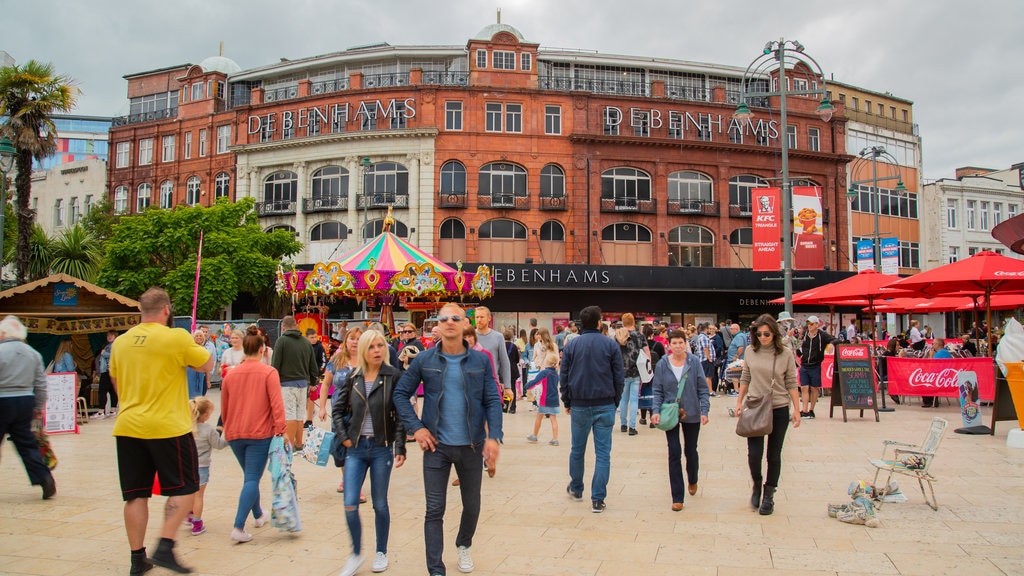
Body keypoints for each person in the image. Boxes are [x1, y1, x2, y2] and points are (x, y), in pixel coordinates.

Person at [394, 303, 503, 576]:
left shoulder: (481, 360)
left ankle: (463, 544)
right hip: (436, 447)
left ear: (464, 322)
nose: (450, 322)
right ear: (438, 325)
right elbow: (400, 394)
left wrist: (494, 437)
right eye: (444, 319)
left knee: (473, 506)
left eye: (455, 317)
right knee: (434, 509)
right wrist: (417, 428)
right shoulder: (425, 360)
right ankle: (435, 568)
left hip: (471, 445)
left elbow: (492, 399)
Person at [110, 287, 213, 575]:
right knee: (186, 487)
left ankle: (136, 558)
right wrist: (194, 343)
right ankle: (165, 545)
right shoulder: (176, 337)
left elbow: (117, 383)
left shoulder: (121, 342)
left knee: (135, 494)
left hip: (128, 426)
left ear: (141, 311)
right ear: (167, 310)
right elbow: (207, 364)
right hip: (168, 426)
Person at [333, 330, 407, 576]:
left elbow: (400, 415)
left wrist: (400, 446)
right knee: (350, 504)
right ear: (363, 350)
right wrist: (344, 438)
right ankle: (355, 553)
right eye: (372, 346)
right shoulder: (353, 377)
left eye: (380, 345)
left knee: (380, 503)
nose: (377, 350)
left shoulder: (393, 376)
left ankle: (381, 551)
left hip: (380, 448)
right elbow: (338, 410)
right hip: (355, 449)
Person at [220, 325, 285, 543]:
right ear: (262, 350)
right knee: (251, 478)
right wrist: (281, 429)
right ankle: (238, 526)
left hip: (235, 432)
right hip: (260, 433)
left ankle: (258, 514)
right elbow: (277, 404)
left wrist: (227, 428)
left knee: (250, 476)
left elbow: (225, 407)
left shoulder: (230, 374)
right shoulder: (269, 372)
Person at [735, 314, 800, 516]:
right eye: (759, 333)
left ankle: (769, 494)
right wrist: (739, 401)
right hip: (755, 405)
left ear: (774, 333)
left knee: (774, 454)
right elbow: (746, 376)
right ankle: (756, 483)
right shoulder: (750, 351)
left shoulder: (785, 354)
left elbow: (791, 382)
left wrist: (797, 409)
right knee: (754, 454)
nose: (763, 337)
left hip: (779, 407)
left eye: (767, 334)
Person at [561, 305, 624, 513]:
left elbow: (564, 376)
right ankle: (597, 499)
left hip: (580, 404)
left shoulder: (571, 345)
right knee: (603, 453)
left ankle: (577, 488)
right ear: (599, 323)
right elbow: (618, 376)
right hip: (605, 403)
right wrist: (616, 399)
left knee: (577, 449)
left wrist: (567, 400)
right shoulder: (610, 345)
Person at [650, 329, 709, 511]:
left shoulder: (694, 362)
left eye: (680, 343)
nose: (677, 346)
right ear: (669, 345)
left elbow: (702, 387)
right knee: (674, 452)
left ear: (686, 344)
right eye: (674, 343)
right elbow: (657, 389)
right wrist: (655, 410)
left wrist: (704, 410)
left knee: (690, 450)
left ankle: (693, 478)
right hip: (670, 412)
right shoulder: (662, 364)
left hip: (691, 411)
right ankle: (677, 497)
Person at [0, 315, 57, 500]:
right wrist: (39, 406)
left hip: (2, 399)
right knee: (27, 444)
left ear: (3, 333)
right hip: (25, 401)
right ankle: (44, 477)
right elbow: (41, 383)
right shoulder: (33, 353)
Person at [323, 326, 365, 499]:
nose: (354, 342)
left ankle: (354, 485)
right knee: (341, 448)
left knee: (359, 449)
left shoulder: (368, 360)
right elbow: (326, 383)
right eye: (352, 338)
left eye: (358, 339)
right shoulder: (336, 360)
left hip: (362, 413)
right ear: (346, 340)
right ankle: (346, 478)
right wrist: (321, 407)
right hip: (339, 412)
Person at [271, 315, 319, 449]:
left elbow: (275, 365)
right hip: (303, 384)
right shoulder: (305, 342)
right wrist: (314, 381)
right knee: (299, 414)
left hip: (286, 383)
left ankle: (290, 444)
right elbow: (313, 366)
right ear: (296, 326)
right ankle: (299, 442)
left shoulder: (282, 341)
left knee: (290, 414)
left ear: (283, 327)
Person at [188, 396, 227, 537]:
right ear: (205, 415)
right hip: (202, 467)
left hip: (188, 466)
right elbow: (218, 445)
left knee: (190, 493)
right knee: (199, 495)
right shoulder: (208, 429)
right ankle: (197, 523)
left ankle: (189, 514)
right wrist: (228, 440)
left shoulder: (186, 428)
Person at [615, 313, 649, 436]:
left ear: (623, 323)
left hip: (621, 372)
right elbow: (647, 353)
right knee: (634, 400)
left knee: (623, 399)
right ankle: (632, 427)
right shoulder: (640, 336)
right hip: (636, 371)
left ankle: (623, 424)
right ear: (634, 322)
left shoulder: (617, 336)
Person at [473, 306, 513, 403]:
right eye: (477, 317)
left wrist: (507, 386)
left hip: (492, 384)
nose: (479, 320)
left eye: (482, 317)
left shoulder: (498, 337)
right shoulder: (470, 337)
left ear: (489, 318)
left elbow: (504, 362)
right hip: (473, 384)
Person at [796, 315, 833, 419]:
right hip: (804, 365)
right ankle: (804, 410)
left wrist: (830, 344)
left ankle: (811, 410)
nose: (809, 326)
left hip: (815, 365)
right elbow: (796, 345)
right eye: (808, 324)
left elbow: (834, 339)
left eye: (811, 324)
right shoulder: (804, 334)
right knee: (804, 387)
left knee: (814, 388)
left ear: (817, 324)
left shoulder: (822, 335)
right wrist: (800, 354)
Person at [525, 352, 560, 445]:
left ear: (547, 362)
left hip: (545, 398)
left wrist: (527, 386)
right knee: (553, 419)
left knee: (539, 417)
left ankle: (534, 435)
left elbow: (536, 381)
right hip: (555, 399)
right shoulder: (556, 373)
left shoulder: (544, 373)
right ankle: (555, 438)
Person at [639, 324, 666, 426]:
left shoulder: (641, 345)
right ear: (652, 333)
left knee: (643, 393)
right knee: (654, 393)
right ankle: (652, 417)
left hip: (643, 372)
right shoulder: (658, 345)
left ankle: (643, 417)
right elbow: (663, 359)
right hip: (656, 372)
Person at [305, 328, 328, 427]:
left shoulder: (319, 347)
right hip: (304, 375)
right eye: (311, 337)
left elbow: (323, 361)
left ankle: (309, 419)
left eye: (315, 337)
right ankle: (311, 411)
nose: (314, 339)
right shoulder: (304, 346)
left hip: (314, 375)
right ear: (306, 337)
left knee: (311, 397)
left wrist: (319, 373)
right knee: (305, 398)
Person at [920, 338, 952, 408]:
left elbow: (931, 366)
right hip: (944, 375)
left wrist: (931, 356)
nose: (932, 345)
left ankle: (929, 401)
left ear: (937, 345)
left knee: (924, 381)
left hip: (942, 377)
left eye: (933, 343)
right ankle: (932, 399)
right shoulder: (943, 352)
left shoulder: (941, 353)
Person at [96, 330, 118, 417]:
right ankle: (112, 411)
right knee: (112, 391)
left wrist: (104, 353)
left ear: (115, 336)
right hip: (111, 370)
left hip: (108, 370)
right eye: (108, 335)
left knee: (102, 391)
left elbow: (115, 355)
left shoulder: (113, 345)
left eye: (112, 335)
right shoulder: (109, 345)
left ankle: (101, 412)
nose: (109, 337)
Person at [187, 330, 210, 399]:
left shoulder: (205, 350)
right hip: (190, 375)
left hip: (201, 375)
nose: (199, 337)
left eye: (200, 336)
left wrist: (208, 380)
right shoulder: (190, 349)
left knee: (199, 397)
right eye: (196, 336)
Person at [503, 328, 521, 414]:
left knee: (504, 388)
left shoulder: (501, 345)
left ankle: (505, 406)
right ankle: (513, 407)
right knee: (512, 388)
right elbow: (517, 359)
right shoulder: (513, 346)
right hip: (512, 369)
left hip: (503, 370)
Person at [696, 323, 717, 397]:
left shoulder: (702, 336)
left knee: (707, 376)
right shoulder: (703, 337)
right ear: (706, 329)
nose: (710, 330)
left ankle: (707, 390)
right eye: (709, 329)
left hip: (704, 359)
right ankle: (710, 391)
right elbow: (705, 348)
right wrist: (709, 358)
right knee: (708, 376)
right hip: (706, 359)